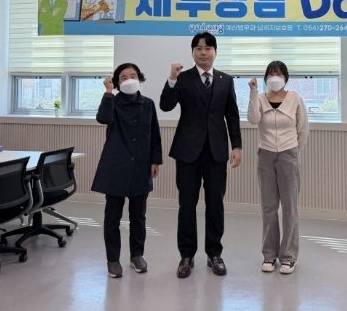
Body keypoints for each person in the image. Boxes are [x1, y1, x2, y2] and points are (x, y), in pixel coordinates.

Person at [160, 32, 242, 279]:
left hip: (216, 152)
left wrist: (237, 146)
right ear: (192, 52)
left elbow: (232, 116)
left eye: (207, 48)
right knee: (187, 204)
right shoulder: (183, 78)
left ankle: (214, 253)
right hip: (188, 152)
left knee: (216, 204)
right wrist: (171, 79)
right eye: (198, 48)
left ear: (215, 52)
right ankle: (186, 255)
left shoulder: (226, 80)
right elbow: (165, 105)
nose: (203, 52)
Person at [92, 63, 162, 279]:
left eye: (133, 75)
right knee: (112, 216)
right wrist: (108, 92)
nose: (129, 79)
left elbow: (155, 134)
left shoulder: (148, 104)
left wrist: (155, 161)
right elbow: (103, 118)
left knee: (138, 216)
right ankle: (113, 260)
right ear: (117, 82)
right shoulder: (112, 102)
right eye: (123, 77)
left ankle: (136, 255)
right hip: (116, 165)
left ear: (139, 78)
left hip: (141, 165)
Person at [247, 61, 309, 275]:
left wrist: (294, 152)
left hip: (288, 154)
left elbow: (303, 128)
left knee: (290, 207)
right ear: (266, 78)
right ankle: (269, 255)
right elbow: (253, 119)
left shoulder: (295, 99)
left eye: (279, 74)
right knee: (269, 207)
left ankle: (289, 257)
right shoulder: (260, 99)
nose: (275, 77)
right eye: (271, 74)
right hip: (265, 155)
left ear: (285, 78)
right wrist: (253, 93)